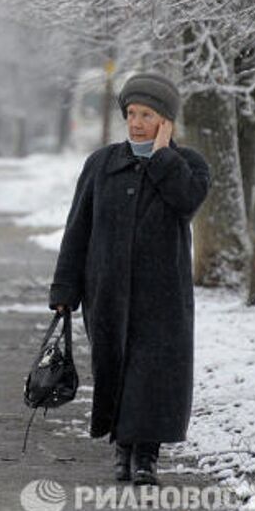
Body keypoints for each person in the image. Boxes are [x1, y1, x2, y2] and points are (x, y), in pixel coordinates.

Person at [48, 71, 210, 486]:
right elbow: (78, 230)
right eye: (132, 113)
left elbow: (187, 201)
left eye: (148, 115)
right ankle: (122, 448)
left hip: (164, 297)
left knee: (153, 374)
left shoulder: (188, 165)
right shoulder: (101, 165)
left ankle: (146, 457)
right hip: (108, 293)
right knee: (116, 368)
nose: (136, 122)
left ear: (166, 121)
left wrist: (160, 156)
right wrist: (65, 290)